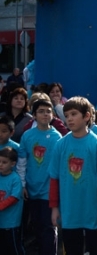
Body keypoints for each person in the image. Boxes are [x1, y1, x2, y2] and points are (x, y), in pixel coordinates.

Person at [48, 97, 97, 255]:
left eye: (73, 114)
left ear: (86, 116)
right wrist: (54, 208)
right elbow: (54, 178)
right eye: (66, 115)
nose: (69, 118)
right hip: (69, 212)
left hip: (94, 213)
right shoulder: (60, 144)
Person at [18, 99, 61, 254]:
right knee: (36, 225)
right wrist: (22, 184)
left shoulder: (57, 137)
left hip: (49, 191)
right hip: (30, 188)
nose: (45, 114)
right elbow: (22, 162)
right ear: (34, 115)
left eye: (48, 111)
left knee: (49, 226)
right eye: (41, 111)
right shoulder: (27, 136)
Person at [0, 147, 25, 255]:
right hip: (1, 223)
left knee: (15, 249)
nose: (0, 164)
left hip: (11, 224)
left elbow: (14, 198)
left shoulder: (15, 179)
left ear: (13, 164)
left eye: (4, 162)